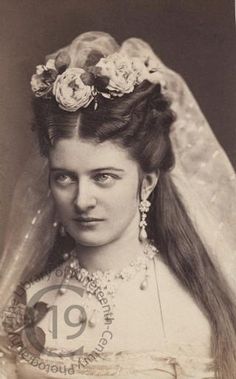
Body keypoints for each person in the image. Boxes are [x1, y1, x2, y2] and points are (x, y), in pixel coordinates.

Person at [0, 31, 236, 379]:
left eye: (103, 177)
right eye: (65, 177)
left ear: (148, 182)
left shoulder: (188, 310)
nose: (82, 200)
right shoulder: (26, 303)